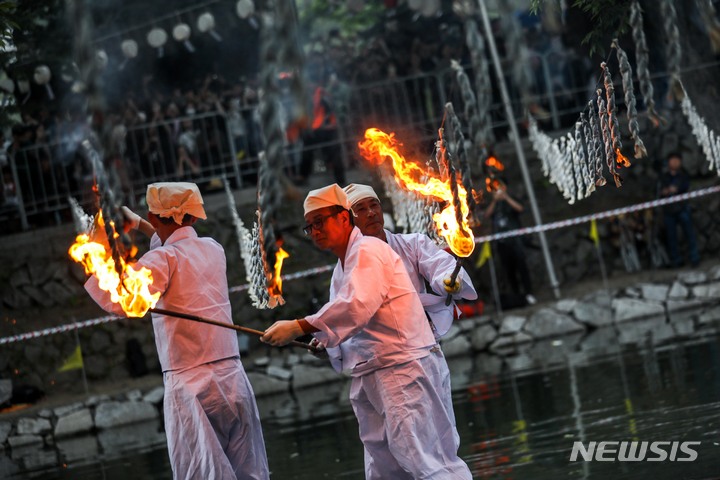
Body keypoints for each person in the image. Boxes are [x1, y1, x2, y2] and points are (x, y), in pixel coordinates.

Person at [261, 184, 472, 480]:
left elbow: (356, 305)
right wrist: (324, 344)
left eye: (320, 222)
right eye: (311, 227)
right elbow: (347, 322)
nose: (316, 231)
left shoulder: (372, 250)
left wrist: (300, 325)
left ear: (344, 218)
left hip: (402, 369)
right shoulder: (343, 268)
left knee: (428, 463)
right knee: (385, 471)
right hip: (374, 373)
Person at [84, 182, 269, 480]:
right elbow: (175, 249)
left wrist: (97, 251)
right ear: (195, 217)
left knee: (200, 474)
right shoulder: (213, 249)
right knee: (250, 471)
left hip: (191, 385)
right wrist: (145, 225)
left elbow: (121, 298)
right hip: (232, 378)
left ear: (154, 216)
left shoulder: (162, 260)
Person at [343, 183, 477, 338]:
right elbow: (344, 313)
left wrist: (448, 279)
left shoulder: (413, 243)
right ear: (349, 220)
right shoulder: (347, 264)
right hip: (381, 349)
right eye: (361, 209)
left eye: (374, 205)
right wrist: (328, 344)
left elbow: (439, 265)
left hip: (420, 336)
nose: (371, 213)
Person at [484, 181, 536, 306]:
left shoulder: (510, 200)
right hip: (502, 244)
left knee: (522, 268)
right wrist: (495, 201)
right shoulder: (494, 204)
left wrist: (505, 197)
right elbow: (486, 215)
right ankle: (518, 296)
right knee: (509, 271)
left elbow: (520, 208)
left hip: (516, 241)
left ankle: (529, 293)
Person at [657, 152, 700, 267]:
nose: (675, 162)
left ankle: (694, 257)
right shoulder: (663, 177)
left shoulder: (683, 176)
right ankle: (676, 260)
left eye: (677, 159)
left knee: (689, 234)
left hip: (682, 208)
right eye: (673, 159)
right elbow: (659, 192)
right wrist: (665, 191)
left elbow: (685, 187)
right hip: (669, 211)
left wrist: (675, 189)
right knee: (671, 237)